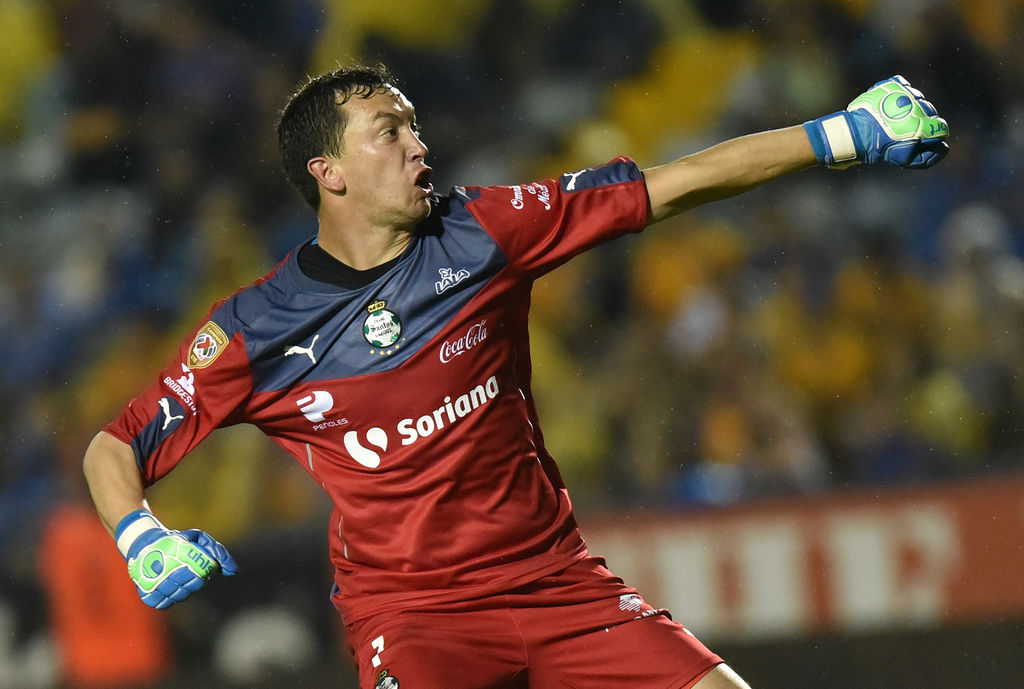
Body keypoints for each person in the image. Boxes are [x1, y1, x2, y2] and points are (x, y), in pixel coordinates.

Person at [82, 63, 948, 689]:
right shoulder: (257, 326)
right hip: (416, 621)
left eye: (415, 125)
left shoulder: (483, 231)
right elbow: (116, 444)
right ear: (329, 172)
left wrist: (842, 134)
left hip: (559, 586)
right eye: (390, 131)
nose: (419, 146)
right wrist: (139, 536)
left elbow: (672, 185)